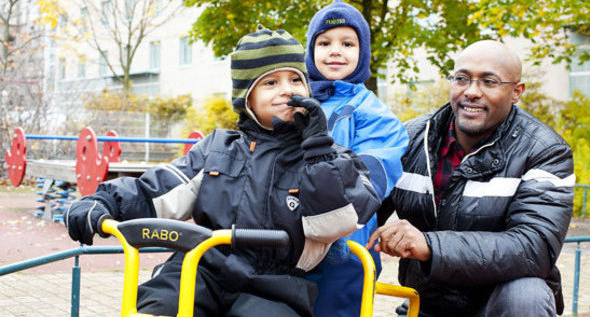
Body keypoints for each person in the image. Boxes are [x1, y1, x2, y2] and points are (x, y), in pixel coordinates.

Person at [64, 26, 381, 317]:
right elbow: (160, 190)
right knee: (160, 305)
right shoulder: (217, 149)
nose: (287, 90)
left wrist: (316, 148)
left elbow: (335, 223)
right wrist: (104, 201)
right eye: (271, 82)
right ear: (247, 98)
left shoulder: (327, 155)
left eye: (296, 80)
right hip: (204, 266)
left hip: (277, 283)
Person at [368, 40, 575, 317]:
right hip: (427, 301)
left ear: (517, 92)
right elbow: (362, 210)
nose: (472, 92)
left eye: (489, 82)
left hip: (499, 304)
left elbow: (534, 247)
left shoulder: (545, 151)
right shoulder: (409, 139)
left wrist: (429, 245)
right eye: (462, 79)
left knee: (527, 295)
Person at [303, 0, 409, 317]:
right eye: (325, 43)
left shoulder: (373, 113)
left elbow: (370, 181)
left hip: (344, 251)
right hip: (290, 243)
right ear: (311, 50)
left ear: (362, 52)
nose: (335, 51)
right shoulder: (295, 102)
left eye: (347, 43)